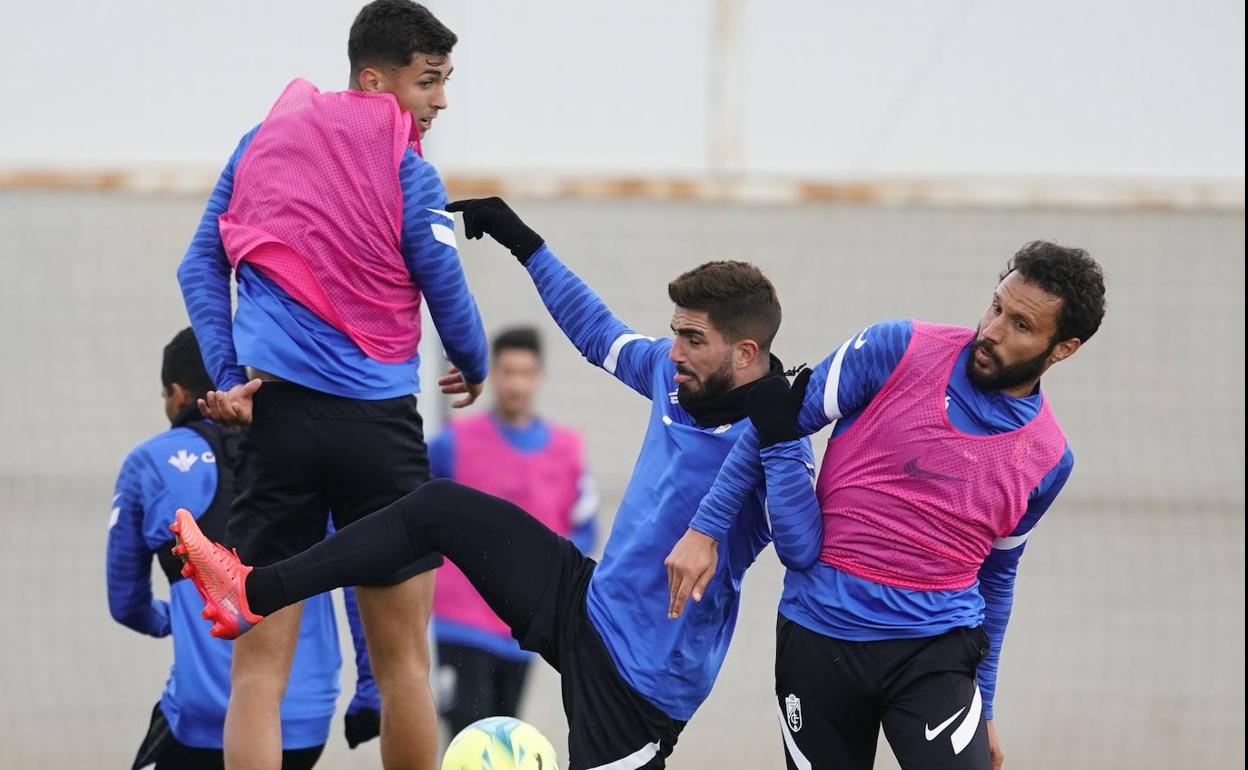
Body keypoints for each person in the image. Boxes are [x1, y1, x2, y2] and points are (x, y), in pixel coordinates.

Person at [170, 197, 821, 769]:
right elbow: (598, 332)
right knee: (437, 507)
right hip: (588, 600)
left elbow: (799, 546)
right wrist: (521, 240)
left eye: (692, 338)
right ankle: (253, 588)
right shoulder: (673, 378)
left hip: (642, 680)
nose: (672, 349)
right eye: (675, 331)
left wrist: (781, 442)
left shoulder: (779, 440)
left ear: (744, 353)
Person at [174, 2, 489, 768]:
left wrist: (227, 377)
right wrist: (473, 360)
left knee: (258, 671)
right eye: (428, 82)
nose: (440, 101)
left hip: (275, 423)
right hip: (379, 431)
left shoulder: (260, 145)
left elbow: (199, 265)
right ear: (374, 80)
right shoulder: (410, 171)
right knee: (405, 663)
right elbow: (441, 276)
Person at [666, 241, 1107, 770]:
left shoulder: (1049, 458)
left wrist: (985, 704)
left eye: (1021, 326)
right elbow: (773, 425)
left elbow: (999, 576)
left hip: (935, 653)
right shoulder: (895, 347)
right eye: (996, 306)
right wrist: (704, 529)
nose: (990, 330)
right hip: (820, 635)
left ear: (1064, 348)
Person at [106, 328, 371, 770]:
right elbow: (361, 581)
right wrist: (371, 686)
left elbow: (125, 602)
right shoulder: (314, 458)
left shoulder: (149, 462)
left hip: (205, 718)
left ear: (176, 394)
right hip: (305, 721)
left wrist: (175, 620)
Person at [429, 325, 598, 736]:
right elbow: (415, 515)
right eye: (507, 371)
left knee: (506, 740)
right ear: (492, 374)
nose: (515, 383)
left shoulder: (567, 450)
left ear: (538, 376)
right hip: (461, 622)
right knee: (470, 740)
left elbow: (585, 530)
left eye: (525, 372)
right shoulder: (453, 444)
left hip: (523, 631)